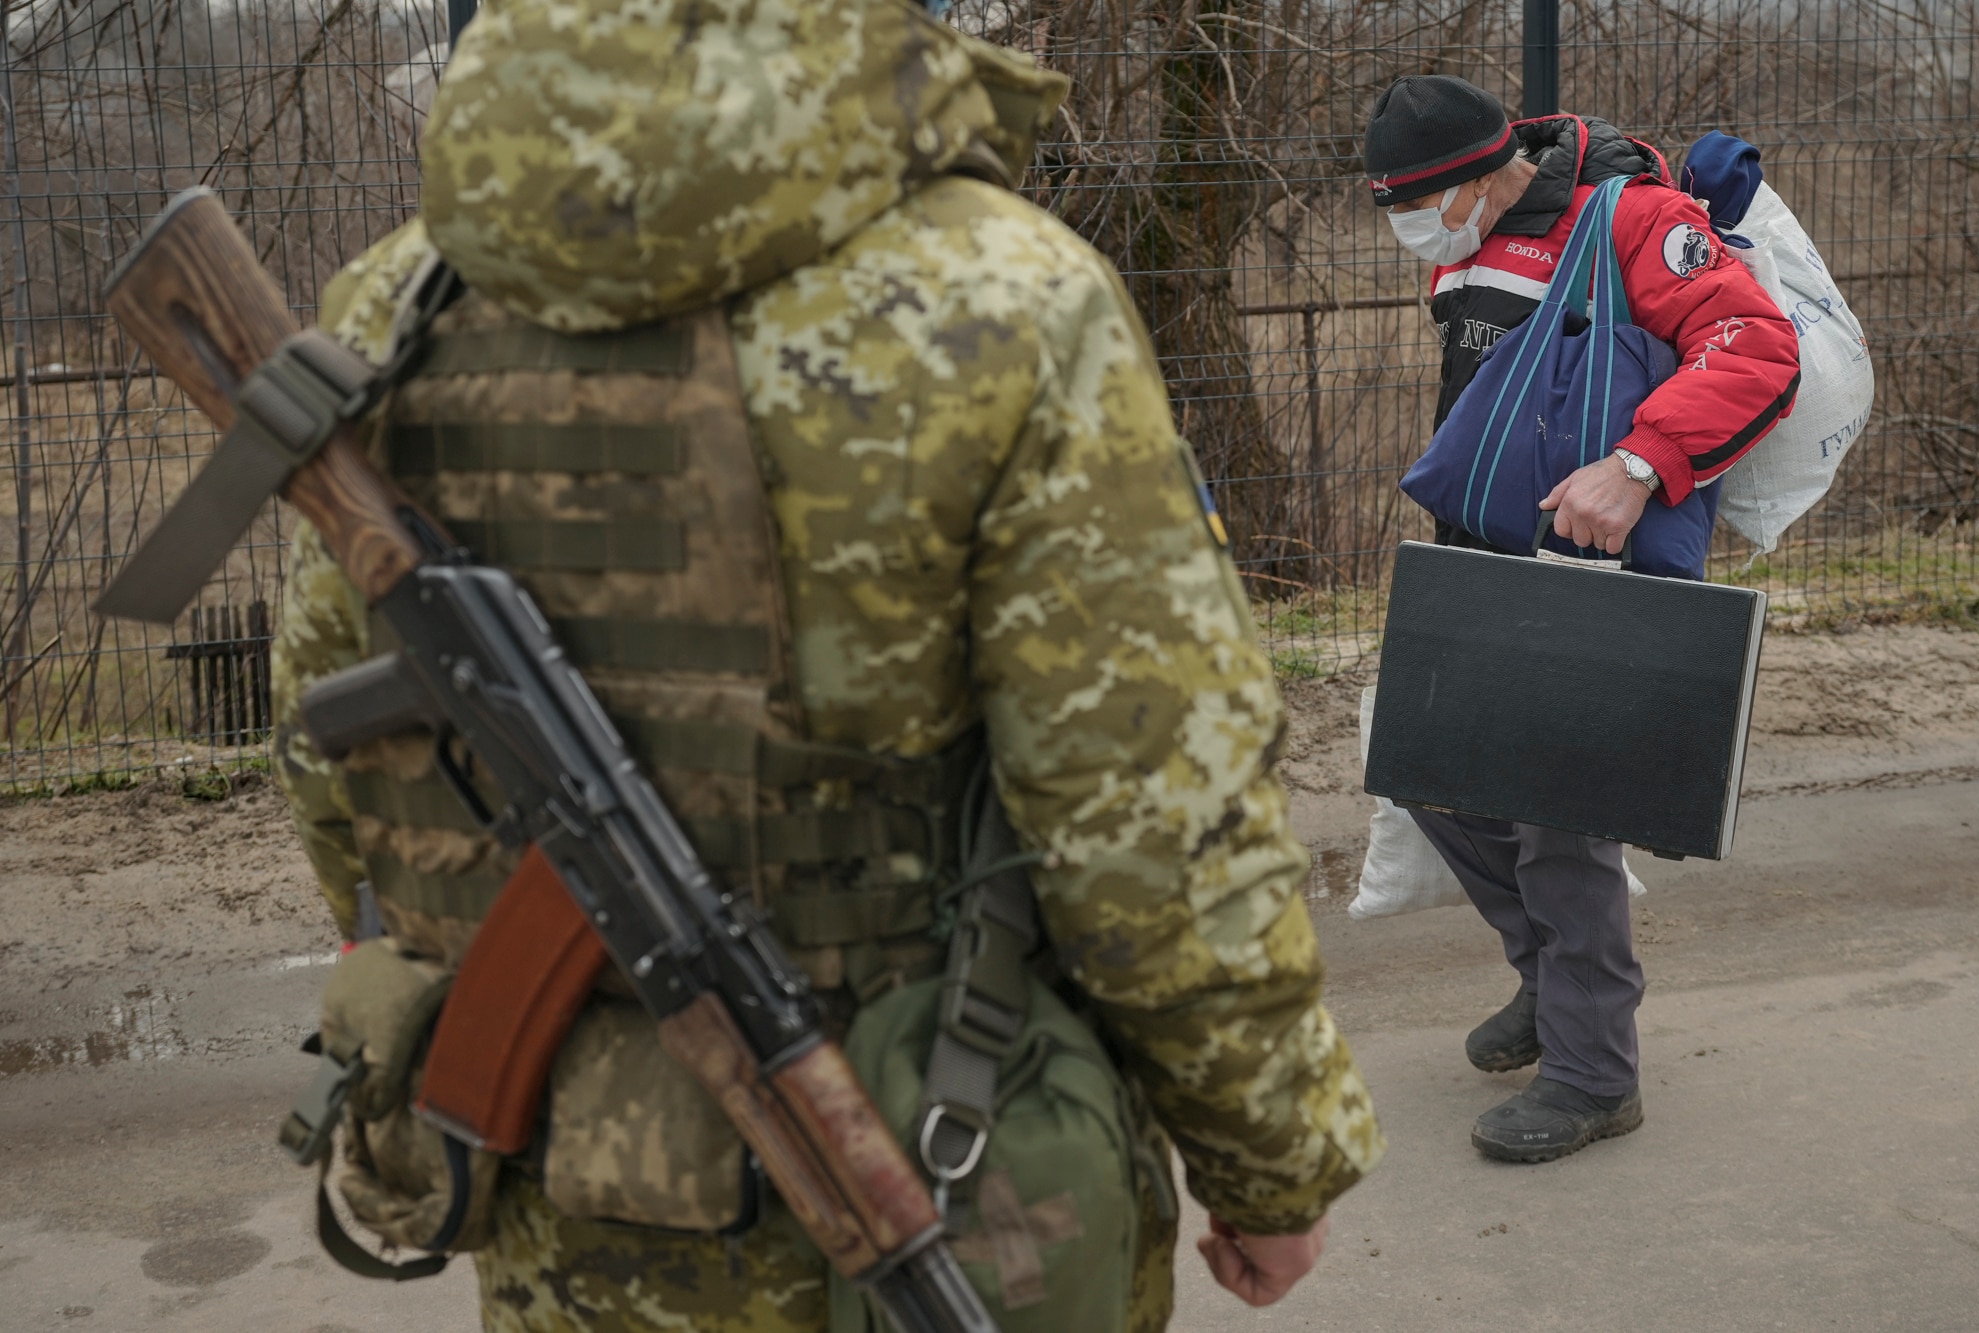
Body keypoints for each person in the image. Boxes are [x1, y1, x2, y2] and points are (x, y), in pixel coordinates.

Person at [268, 0, 1383, 1328]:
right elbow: (1147, 811)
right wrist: (1268, 1158)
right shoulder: (1005, 295)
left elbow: (331, 750)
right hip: (938, 1141)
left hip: (567, 1184)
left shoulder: (400, 300)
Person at [1365, 76, 1799, 1163]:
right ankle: (1551, 980)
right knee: (1423, 772)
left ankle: (1594, 1073)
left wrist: (1637, 465)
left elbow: (1754, 348)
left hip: (1588, 556)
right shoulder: (1460, 244)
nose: (1414, 229)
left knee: (1558, 819)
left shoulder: (1636, 222)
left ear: (1484, 172)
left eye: (1424, 202)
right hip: (1481, 559)